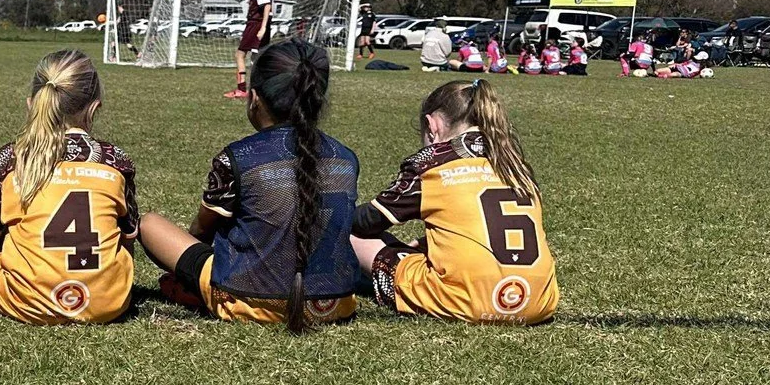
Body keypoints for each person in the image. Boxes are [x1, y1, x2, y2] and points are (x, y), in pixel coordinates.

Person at [137, 39, 359, 331]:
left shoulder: (239, 157)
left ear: (254, 98)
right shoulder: (346, 157)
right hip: (333, 303)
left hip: (250, 299)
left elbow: (202, 230)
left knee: (150, 224)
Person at [0, 49, 140, 325]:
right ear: (95, 107)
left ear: (32, 103)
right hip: (109, 303)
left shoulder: (11, 159)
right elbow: (127, 238)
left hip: (26, 301)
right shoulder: (116, 162)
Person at [352, 79, 557, 325]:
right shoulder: (514, 164)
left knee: (352, 235)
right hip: (537, 304)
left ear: (432, 125)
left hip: (465, 302)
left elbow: (366, 223)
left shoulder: (433, 163)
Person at [229, 0, 276, 100]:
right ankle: (259, 89)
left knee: (240, 54)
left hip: (256, 24)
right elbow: (257, 4)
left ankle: (242, 89)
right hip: (260, 24)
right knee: (257, 58)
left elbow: (267, 6)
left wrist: (262, 27)